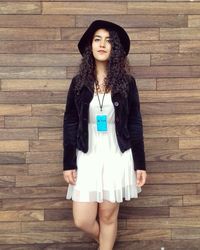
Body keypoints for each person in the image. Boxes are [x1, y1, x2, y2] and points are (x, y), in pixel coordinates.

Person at [63, 20, 147, 250]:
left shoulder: (127, 83)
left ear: (115, 49)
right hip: (87, 152)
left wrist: (140, 164)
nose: (102, 44)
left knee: (108, 216)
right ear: (90, 46)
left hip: (116, 152)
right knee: (83, 219)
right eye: (97, 39)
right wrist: (68, 162)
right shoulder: (79, 83)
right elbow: (70, 121)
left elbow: (134, 122)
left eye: (109, 41)